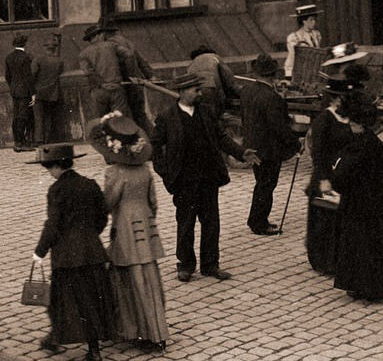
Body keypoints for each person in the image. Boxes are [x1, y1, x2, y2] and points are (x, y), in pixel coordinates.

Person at [150, 73, 260, 282]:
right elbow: (156, 147)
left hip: (208, 178)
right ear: (182, 92)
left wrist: (240, 152)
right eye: (196, 90)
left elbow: (221, 138)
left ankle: (210, 265)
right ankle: (186, 265)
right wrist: (166, 174)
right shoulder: (167, 117)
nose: (200, 93)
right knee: (186, 224)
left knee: (211, 223)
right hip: (184, 181)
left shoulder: (206, 112)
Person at [88, 114, 169, 352]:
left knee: (132, 279)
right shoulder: (145, 170)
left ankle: (140, 331)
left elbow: (109, 202)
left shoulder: (115, 173)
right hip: (147, 227)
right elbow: (153, 203)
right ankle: (158, 331)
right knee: (150, 278)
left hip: (125, 228)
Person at [29, 142, 116, 361]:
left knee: (59, 300)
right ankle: (92, 350)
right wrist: (89, 237)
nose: (49, 172)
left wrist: (40, 251)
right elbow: (102, 217)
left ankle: (55, 338)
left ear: (58, 166)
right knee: (91, 302)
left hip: (67, 259)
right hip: (93, 254)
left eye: (49, 168)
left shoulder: (56, 190)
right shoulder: (90, 185)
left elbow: (53, 225)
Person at [330, 90, 383, 301]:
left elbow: (344, 173)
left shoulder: (359, 146)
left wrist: (334, 173)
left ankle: (364, 285)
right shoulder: (373, 142)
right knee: (378, 242)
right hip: (377, 200)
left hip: (359, 203)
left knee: (360, 245)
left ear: (358, 123)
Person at [304, 68, 362, 275]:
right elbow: (318, 153)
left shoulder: (350, 117)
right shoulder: (325, 120)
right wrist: (324, 180)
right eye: (344, 97)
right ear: (336, 98)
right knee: (326, 219)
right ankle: (324, 260)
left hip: (346, 175)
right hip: (327, 175)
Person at [240, 54, 301, 236]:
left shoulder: (247, 91)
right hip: (269, 149)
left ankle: (256, 219)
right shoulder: (271, 97)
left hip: (253, 146)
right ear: (273, 75)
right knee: (267, 185)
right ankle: (259, 223)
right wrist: (295, 143)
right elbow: (279, 127)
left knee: (261, 183)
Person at [185, 46, 239, 124]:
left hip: (193, 94)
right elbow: (229, 81)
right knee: (215, 117)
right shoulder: (214, 58)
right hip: (211, 90)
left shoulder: (191, 64)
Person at [32, 34, 67, 145]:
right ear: (54, 48)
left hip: (39, 92)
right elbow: (60, 73)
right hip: (53, 93)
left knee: (38, 117)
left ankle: (39, 139)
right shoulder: (59, 61)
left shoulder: (38, 59)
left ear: (44, 47)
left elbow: (32, 74)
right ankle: (48, 138)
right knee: (49, 117)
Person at [5, 32, 36, 151]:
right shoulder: (26, 57)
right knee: (23, 116)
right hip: (24, 91)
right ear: (25, 43)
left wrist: (12, 87)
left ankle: (17, 141)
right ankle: (21, 143)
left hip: (14, 91)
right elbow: (28, 77)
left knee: (16, 116)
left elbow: (7, 76)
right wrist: (32, 93)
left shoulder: (9, 57)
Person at [285, 3, 323, 79]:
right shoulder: (294, 38)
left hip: (311, 71)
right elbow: (295, 57)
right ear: (304, 21)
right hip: (296, 72)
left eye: (314, 19)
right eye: (311, 20)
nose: (314, 22)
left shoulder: (317, 34)